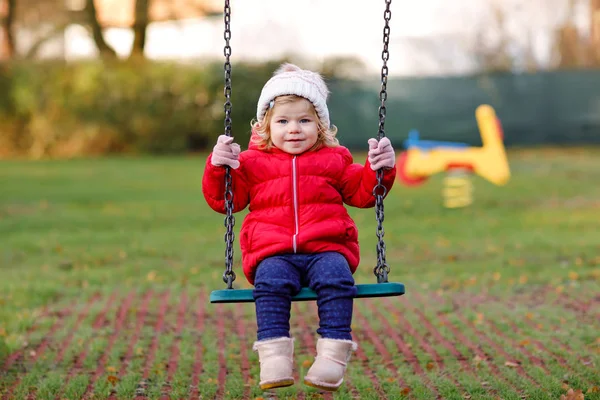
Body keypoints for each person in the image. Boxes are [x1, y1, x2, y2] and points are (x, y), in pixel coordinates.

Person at [202, 63, 396, 391]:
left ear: (320, 126)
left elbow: (362, 194)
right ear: (266, 125)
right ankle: (274, 355)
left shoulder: (335, 159)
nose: (294, 129)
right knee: (271, 282)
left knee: (337, 279)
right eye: (283, 121)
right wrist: (219, 166)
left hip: (326, 247)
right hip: (273, 249)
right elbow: (226, 201)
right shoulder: (249, 162)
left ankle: (332, 356)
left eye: (304, 120)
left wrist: (379, 169)